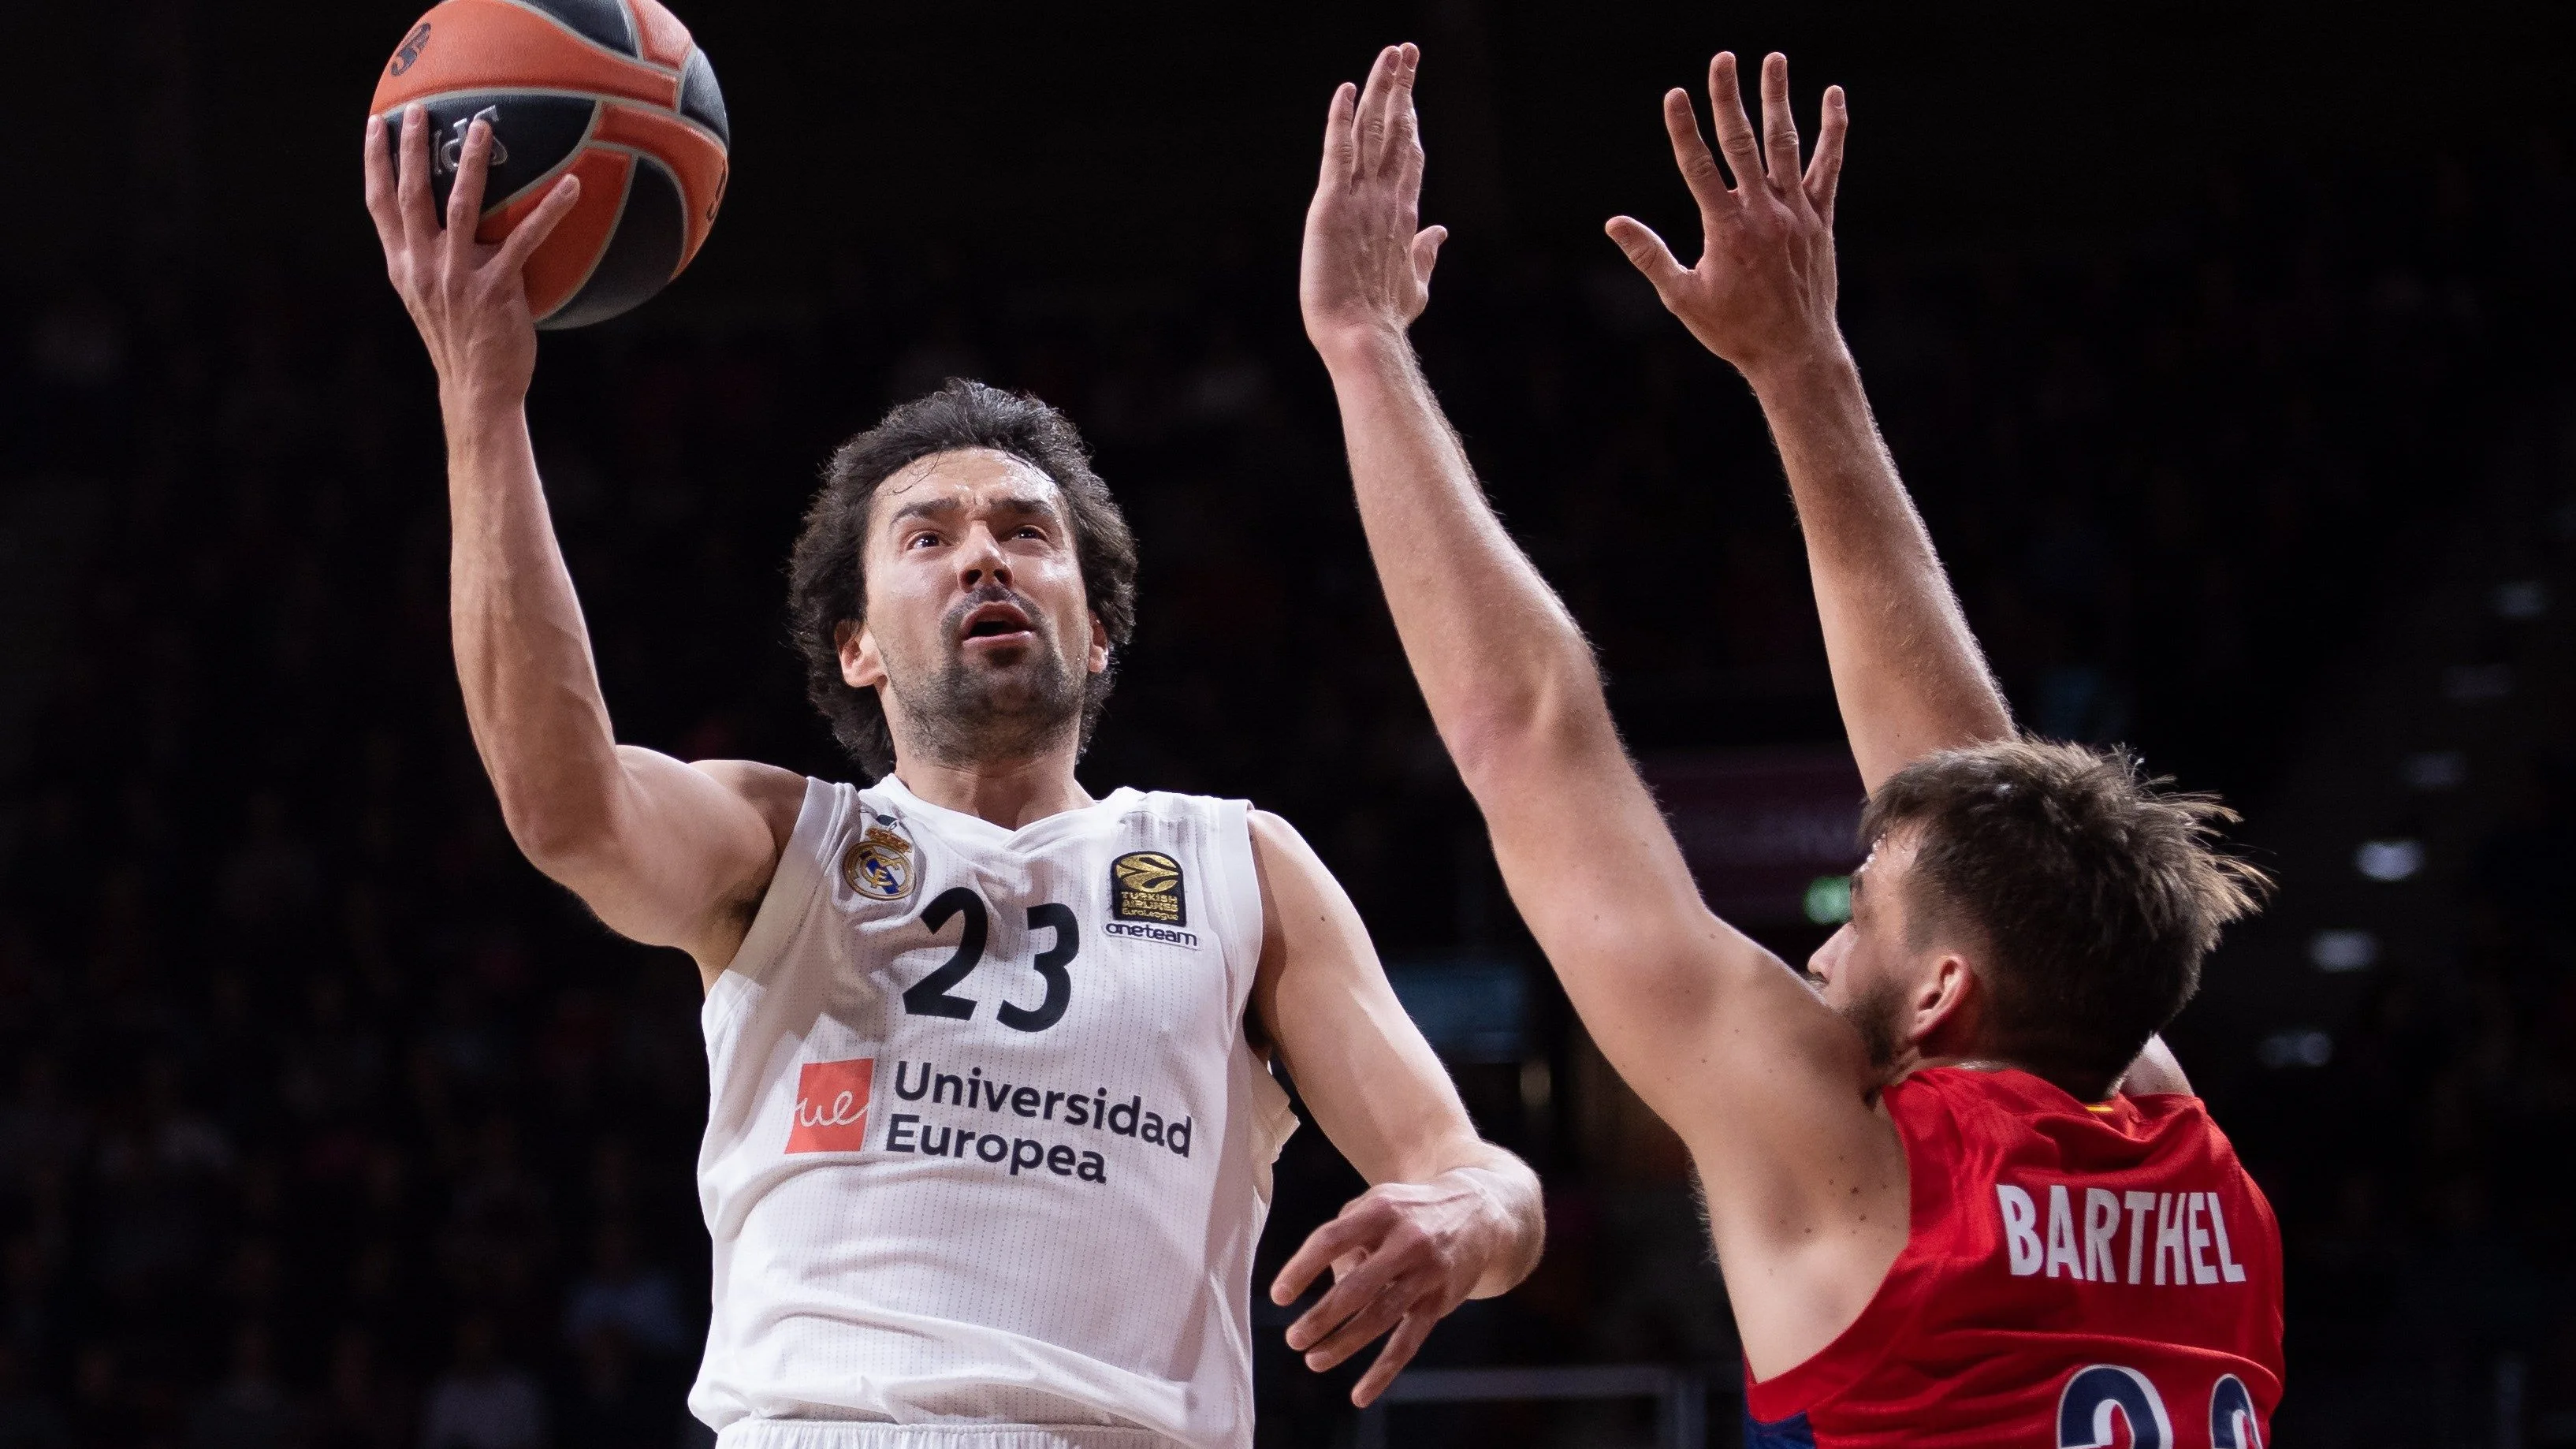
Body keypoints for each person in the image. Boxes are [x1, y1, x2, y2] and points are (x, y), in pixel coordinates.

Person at [358, 99, 1541, 1449]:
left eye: (1027, 532)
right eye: (927, 535)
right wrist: (481, 402)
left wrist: (1475, 1215)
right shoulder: (776, 839)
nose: (985, 556)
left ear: (1098, 631)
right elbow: (561, 801)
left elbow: (1473, 1170)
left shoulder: (1238, 864)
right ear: (855, 647)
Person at [1295, 43, 2284, 1444]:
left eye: (1858, 910)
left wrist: (1361, 345)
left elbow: (1530, 735)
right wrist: (1797, 362)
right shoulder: (2197, 1169)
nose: (1821, 948)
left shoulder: (1852, 1157)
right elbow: (1984, 807)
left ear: (1943, 992)